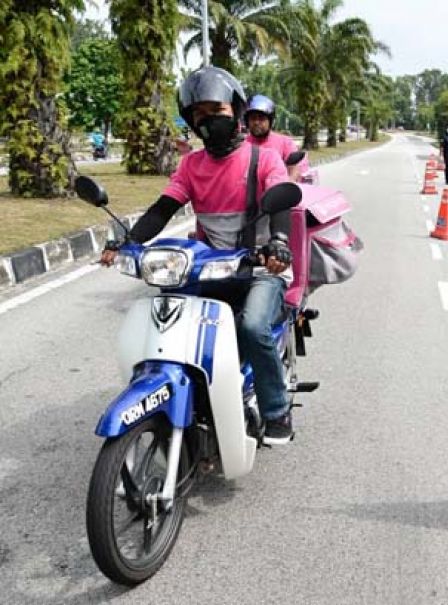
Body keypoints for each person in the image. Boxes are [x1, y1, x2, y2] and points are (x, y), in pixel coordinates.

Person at [99, 66, 296, 445]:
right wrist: (126, 239)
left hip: (260, 268)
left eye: (215, 110)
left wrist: (281, 242)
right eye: (198, 114)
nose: (208, 120)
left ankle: (276, 411)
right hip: (210, 270)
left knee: (253, 326)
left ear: (236, 111)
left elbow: (281, 205)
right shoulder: (191, 165)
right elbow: (162, 210)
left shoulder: (263, 159)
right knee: (170, 319)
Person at [245, 94, 309, 182]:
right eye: (253, 118)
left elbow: (295, 168)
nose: (256, 122)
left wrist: (288, 183)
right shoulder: (243, 144)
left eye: (261, 118)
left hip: (277, 191)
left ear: (271, 121)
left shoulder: (285, 142)